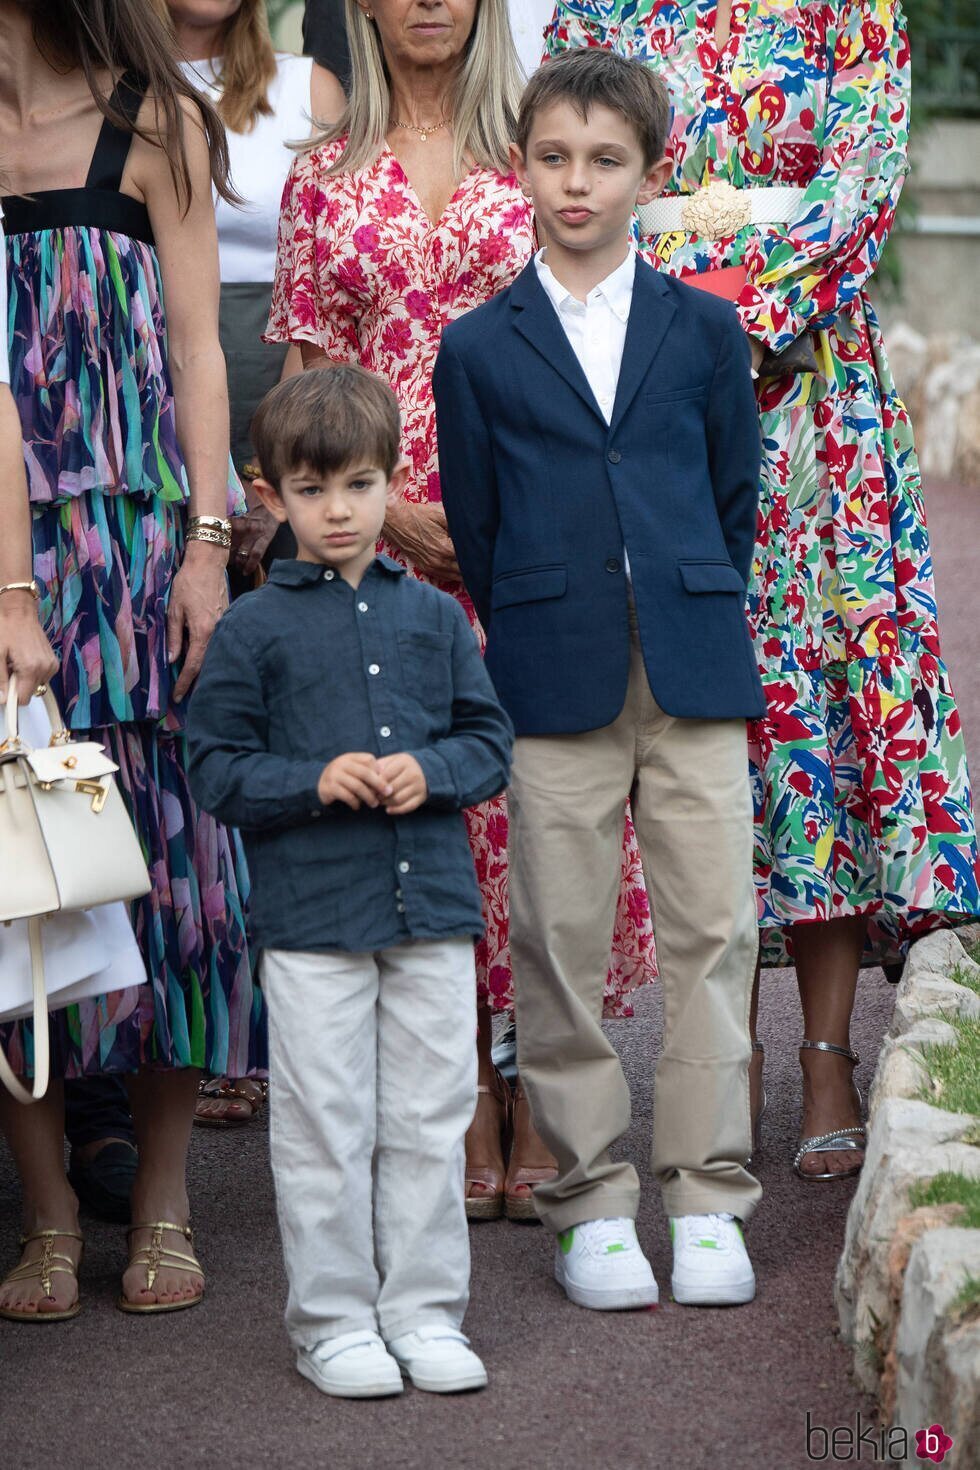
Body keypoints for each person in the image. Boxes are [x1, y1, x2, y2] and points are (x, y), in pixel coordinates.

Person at [547, 0, 980, 1180]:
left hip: (812, 399)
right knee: (693, 717)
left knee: (817, 715)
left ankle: (827, 1055)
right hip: (643, 389)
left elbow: (862, 177)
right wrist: (663, 337)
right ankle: (713, 1056)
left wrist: (741, 327)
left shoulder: (853, 8)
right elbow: (572, 156)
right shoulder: (599, 9)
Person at [267, 0, 658, 1222]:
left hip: (538, 529)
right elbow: (303, 373)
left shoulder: (541, 148)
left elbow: (602, 336)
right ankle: (460, 1103)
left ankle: (539, 1090)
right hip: (368, 541)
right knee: (423, 816)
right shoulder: (319, 175)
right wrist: (374, 517)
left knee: (544, 816)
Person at [434, 48, 764, 1310]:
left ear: (650, 174)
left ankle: (708, 1194)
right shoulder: (478, 347)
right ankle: (587, 1201)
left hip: (690, 666)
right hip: (548, 674)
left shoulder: (704, 328)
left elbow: (726, 499)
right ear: (520, 164)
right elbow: (477, 518)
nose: (575, 183)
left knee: (714, 934)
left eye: (604, 160)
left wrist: (676, 590)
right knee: (559, 941)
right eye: (553, 156)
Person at [0, 0, 258, 1320]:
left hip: (142, 544)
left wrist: (207, 542)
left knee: (179, 881)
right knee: (20, 897)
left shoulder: (156, 124)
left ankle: (162, 1200)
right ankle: (47, 1219)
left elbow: (200, 344)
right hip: (9, 563)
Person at [188, 365, 513, 1397]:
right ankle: (331, 1323)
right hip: (312, 918)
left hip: (431, 908)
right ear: (271, 496)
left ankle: (422, 1314)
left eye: (360, 486)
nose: (339, 510)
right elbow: (213, 766)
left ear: (389, 484)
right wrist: (312, 780)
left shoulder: (435, 621)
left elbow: (488, 739)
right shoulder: (251, 629)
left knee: (427, 1116)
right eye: (315, 490)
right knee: (326, 1124)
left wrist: (439, 770)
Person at [167, 0, 345, 1127]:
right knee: (193, 695)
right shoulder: (104, 80)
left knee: (294, 699)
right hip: (166, 404)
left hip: (284, 414)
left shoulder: (306, 84)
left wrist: (283, 464)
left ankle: (287, 1011)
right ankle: (208, 1007)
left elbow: (316, 277)